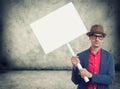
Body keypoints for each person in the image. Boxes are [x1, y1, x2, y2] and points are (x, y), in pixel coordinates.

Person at [71, 24, 115, 89]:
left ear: (103, 39)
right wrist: (75, 67)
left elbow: (110, 79)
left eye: (100, 37)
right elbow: (75, 81)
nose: (97, 39)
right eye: (94, 36)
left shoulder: (109, 57)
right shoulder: (80, 56)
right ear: (90, 37)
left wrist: (91, 76)